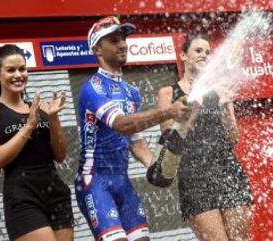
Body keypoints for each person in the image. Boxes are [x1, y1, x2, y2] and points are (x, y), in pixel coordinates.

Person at [75, 16, 191, 241]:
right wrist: (168, 111)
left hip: (122, 180)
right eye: (114, 40)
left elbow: (135, 139)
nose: (122, 44)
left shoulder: (131, 92)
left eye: (123, 39)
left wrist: (153, 164)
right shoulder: (92, 88)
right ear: (97, 49)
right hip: (94, 181)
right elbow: (122, 124)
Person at [157, 34, 253, 241]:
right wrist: (193, 112)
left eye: (208, 52)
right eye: (198, 51)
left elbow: (233, 139)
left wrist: (226, 107)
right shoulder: (167, 93)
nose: (204, 55)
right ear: (183, 55)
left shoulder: (219, 90)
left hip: (227, 171)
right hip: (194, 176)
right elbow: (169, 142)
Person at [0, 44, 74, 241]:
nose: (18, 74)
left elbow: (60, 155)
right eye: (10, 70)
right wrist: (29, 126)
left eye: (22, 68)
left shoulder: (42, 106)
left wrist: (53, 119)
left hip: (55, 191)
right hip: (22, 196)